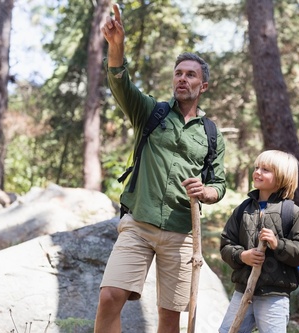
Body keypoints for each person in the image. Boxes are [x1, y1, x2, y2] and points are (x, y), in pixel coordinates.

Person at [94, 4, 226, 333]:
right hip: (139, 223)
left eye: (190, 74)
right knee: (110, 295)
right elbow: (121, 84)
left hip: (182, 233)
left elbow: (219, 184)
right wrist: (116, 47)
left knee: (170, 316)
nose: (182, 78)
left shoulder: (211, 134)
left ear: (203, 86)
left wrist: (206, 192)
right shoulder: (151, 112)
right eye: (178, 73)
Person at [219, 150, 299, 333]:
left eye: (265, 169)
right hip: (243, 290)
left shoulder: (292, 213)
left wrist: (278, 244)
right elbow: (226, 245)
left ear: (281, 177)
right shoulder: (242, 210)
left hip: (274, 295)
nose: (257, 172)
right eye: (256, 168)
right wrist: (242, 256)